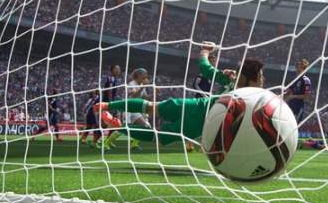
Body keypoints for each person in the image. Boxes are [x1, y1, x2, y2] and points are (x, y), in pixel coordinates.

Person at [94, 42, 263, 146]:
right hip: (200, 121)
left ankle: (107, 105)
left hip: (193, 105)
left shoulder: (230, 80)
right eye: (260, 76)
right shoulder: (249, 98)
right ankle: (118, 127)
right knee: (158, 136)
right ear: (248, 78)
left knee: (152, 107)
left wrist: (205, 51)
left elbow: (206, 68)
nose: (263, 79)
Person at [125, 68, 153, 150]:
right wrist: (142, 87)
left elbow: (145, 97)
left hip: (135, 109)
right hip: (127, 108)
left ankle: (134, 144)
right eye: (144, 75)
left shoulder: (141, 85)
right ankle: (106, 143)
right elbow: (134, 96)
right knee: (124, 127)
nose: (146, 77)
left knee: (146, 126)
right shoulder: (131, 84)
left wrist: (155, 92)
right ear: (138, 75)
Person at [285, 59, 312, 128]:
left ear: (304, 68)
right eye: (297, 66)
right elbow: (289, 91)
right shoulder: (294, 79)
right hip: (290, 105)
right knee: (286, 125)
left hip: (298, 106)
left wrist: (293, 96)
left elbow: (306, 96)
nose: (297, 68)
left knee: (294, 126)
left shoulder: (306, 80)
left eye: (299, 66)